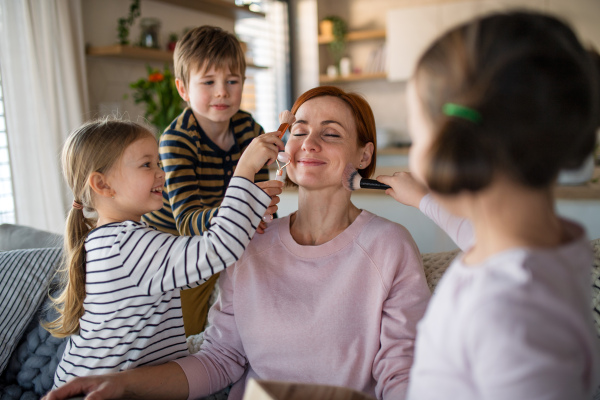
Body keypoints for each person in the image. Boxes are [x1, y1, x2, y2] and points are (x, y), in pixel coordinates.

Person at [43, 86, 432, 400]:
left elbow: (401, 372)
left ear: (364, 155)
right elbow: (221, 360)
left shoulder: (389, 246)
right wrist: (124, 384)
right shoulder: (251, 243)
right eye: (298, 130)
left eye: (331, 133)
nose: (309, 142)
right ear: (285, 147)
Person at [376, 11, 600, 399]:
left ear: (454, 143)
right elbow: (478, 238)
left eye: (417, 133)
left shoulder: (511, 314)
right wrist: (424, 200)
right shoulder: (544, 251)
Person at [45, 118, 284, 388]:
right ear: (103, 185)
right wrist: (245, 169)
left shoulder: (112, 240)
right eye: (147, 165)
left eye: (158, 163)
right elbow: (217, 249)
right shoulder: (126, 244)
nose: (161, 173)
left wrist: (247, 208)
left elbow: (191, 271)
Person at [141, 25, 275, 336]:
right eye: (208, 82)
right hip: (177, 243)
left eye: (232, 81)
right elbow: (187, 221)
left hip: (228, 231)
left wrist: (263, 218)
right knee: (185, 326)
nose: (222, 92)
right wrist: (242, 214)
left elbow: (262, 200)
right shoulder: (176, 140)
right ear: (183, 89)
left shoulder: (249, 129)